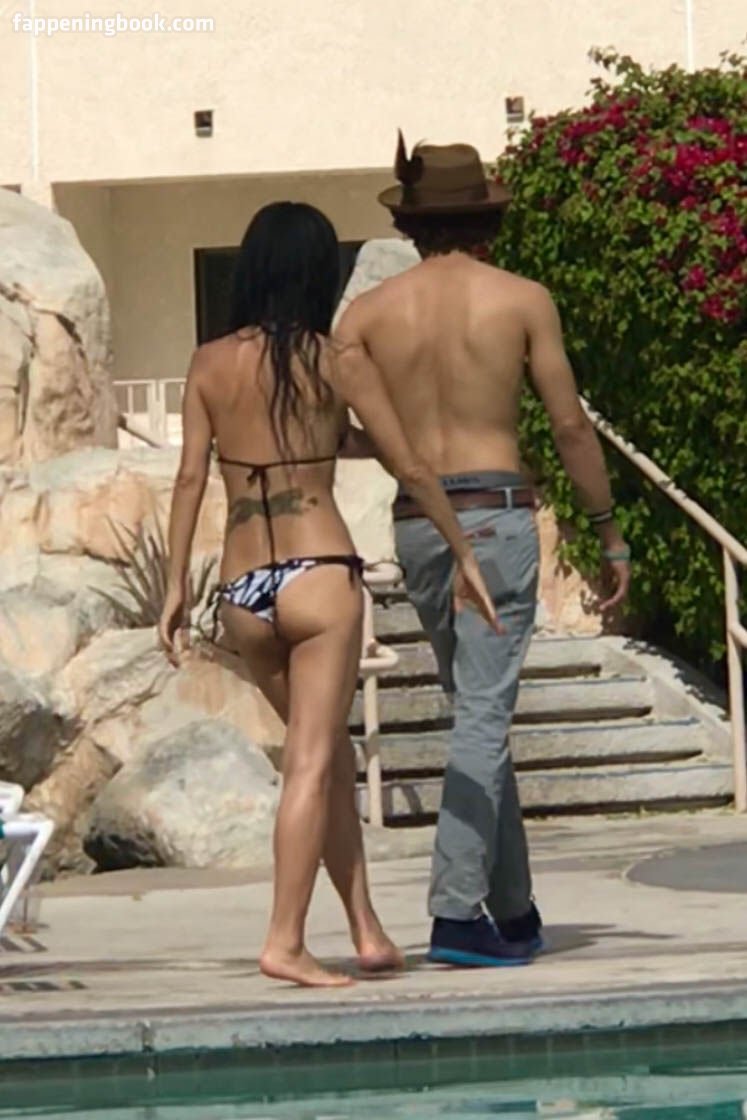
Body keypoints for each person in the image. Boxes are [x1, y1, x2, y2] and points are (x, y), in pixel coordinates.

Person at [157, 201, 502, 988]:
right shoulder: (334, 360)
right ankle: (284, 940)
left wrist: (174, 584)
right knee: (311, 762)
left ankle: (365, 928)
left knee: (328, 756)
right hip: (317, 573)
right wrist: (463, 551)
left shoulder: (208, 362)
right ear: (319, 273)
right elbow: (408, 464)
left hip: (243, 588)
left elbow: (188, 477)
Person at [336, 135, 632, 968]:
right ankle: (454, 912)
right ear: (487, 222)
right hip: (494, 516)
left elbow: (349, 431)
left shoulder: (365, 315)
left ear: (411, 223)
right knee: (482, 714)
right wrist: (607, 529)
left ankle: (513, 909)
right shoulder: (521, 298)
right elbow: (568, 424)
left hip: (418, 521)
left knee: (477, 711)